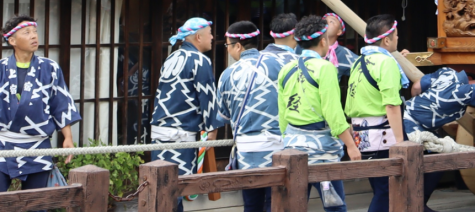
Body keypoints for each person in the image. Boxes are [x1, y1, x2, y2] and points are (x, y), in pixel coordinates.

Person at [278, 15, 360, 212]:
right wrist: (351, 145)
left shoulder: (286, 69)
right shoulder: (325, 68)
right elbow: (333, 112)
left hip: (292, 147)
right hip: (322, 152)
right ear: (323, 41)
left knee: (294, 206)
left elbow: (282, 114)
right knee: (335, 207)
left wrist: (285, 141)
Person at [403, 48, 475, 209]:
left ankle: (418, 204)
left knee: (437, 159)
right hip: (411, 127)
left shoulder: (448, 73)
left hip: (411, 117)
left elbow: (416, 86)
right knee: (429, 165)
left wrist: (424, 105)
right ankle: (416, 205)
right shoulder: (464, 92)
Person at [0, 16, 78, 193]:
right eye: (27, 32)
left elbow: (60, 102)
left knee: (38, 202)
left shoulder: (50, 68)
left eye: (35, 32)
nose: (33, 36)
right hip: (2, 145)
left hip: (37, 146)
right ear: (12, 40)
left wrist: (68, 137)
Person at [151, 17, 219, 211]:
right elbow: (207, 97)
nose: (213, 37)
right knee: (176, 190)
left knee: (163, 190)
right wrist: (212, 128)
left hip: (160, 134)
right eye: (209, 34)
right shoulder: (199, 60)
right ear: (198, 37)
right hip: (181, 136)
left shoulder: (171, 57)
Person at [216, 22, 281, 212]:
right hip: (279, 149)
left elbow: (222, 115)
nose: (227, 50)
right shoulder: (278, 65)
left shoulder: (227, 75)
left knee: (252, 204)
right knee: (275, 202)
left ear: (238, 46)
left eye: (228, 45)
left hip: (247, 152)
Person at [345, 15, 408, 212]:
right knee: (387, 190)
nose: (398, 39)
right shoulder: (385, 62)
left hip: (361, 134)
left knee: (380, 188)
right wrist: (401, 142)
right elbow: (391, 104)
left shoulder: (359, 61)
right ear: (387, 40)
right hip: (383, 135)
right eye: (396, 35)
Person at [322, 13, 358, 80]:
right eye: (324, 21)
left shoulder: (343, 53)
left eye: (331, 21)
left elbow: (364, 68)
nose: (326, 23)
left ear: (339, 32)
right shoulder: (308, 46)